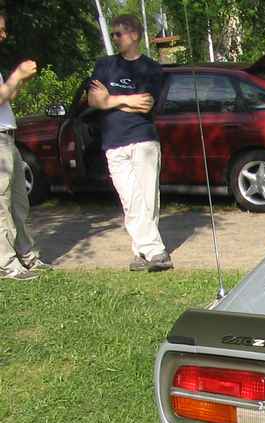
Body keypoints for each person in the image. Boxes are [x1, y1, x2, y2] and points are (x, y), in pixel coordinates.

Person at [89, 14, 170, 272]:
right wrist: (126, 100)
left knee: (147, 198)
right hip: (113, 142)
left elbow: (145, 104)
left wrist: (110, 99)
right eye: (112, 34)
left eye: (119, 34)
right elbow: (94, 101)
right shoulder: (104, 66)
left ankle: (142, 253)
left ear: (134, 35)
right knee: (130, 199)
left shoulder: (151, 68)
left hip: (143, 140)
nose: (115, 38)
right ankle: (157, 252)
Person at [0, 12, 45, 281]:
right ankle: (5, 263)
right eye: (0, 29)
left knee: (19, 202)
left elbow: (7, 96)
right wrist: (17, 75)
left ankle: (27, 255)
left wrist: (21, 81)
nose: (4, 35)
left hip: (8, 137)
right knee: (1, 203)